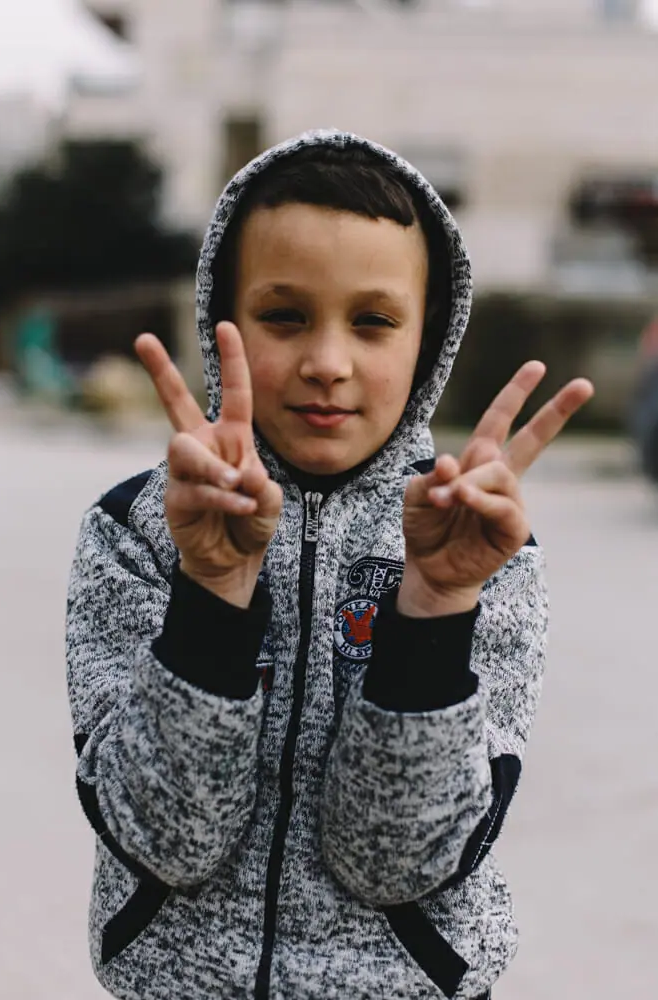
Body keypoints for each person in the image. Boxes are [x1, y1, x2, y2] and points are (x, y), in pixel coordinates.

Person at [66, 130, 593, 1000]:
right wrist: (213, 591)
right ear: (220, 323)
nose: (326, 363)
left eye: (374, 322)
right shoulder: (136, 530)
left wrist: (437, 601)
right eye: (284, 316)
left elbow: (399, 865)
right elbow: (167, 840)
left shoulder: (485, 552)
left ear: (428, 346)